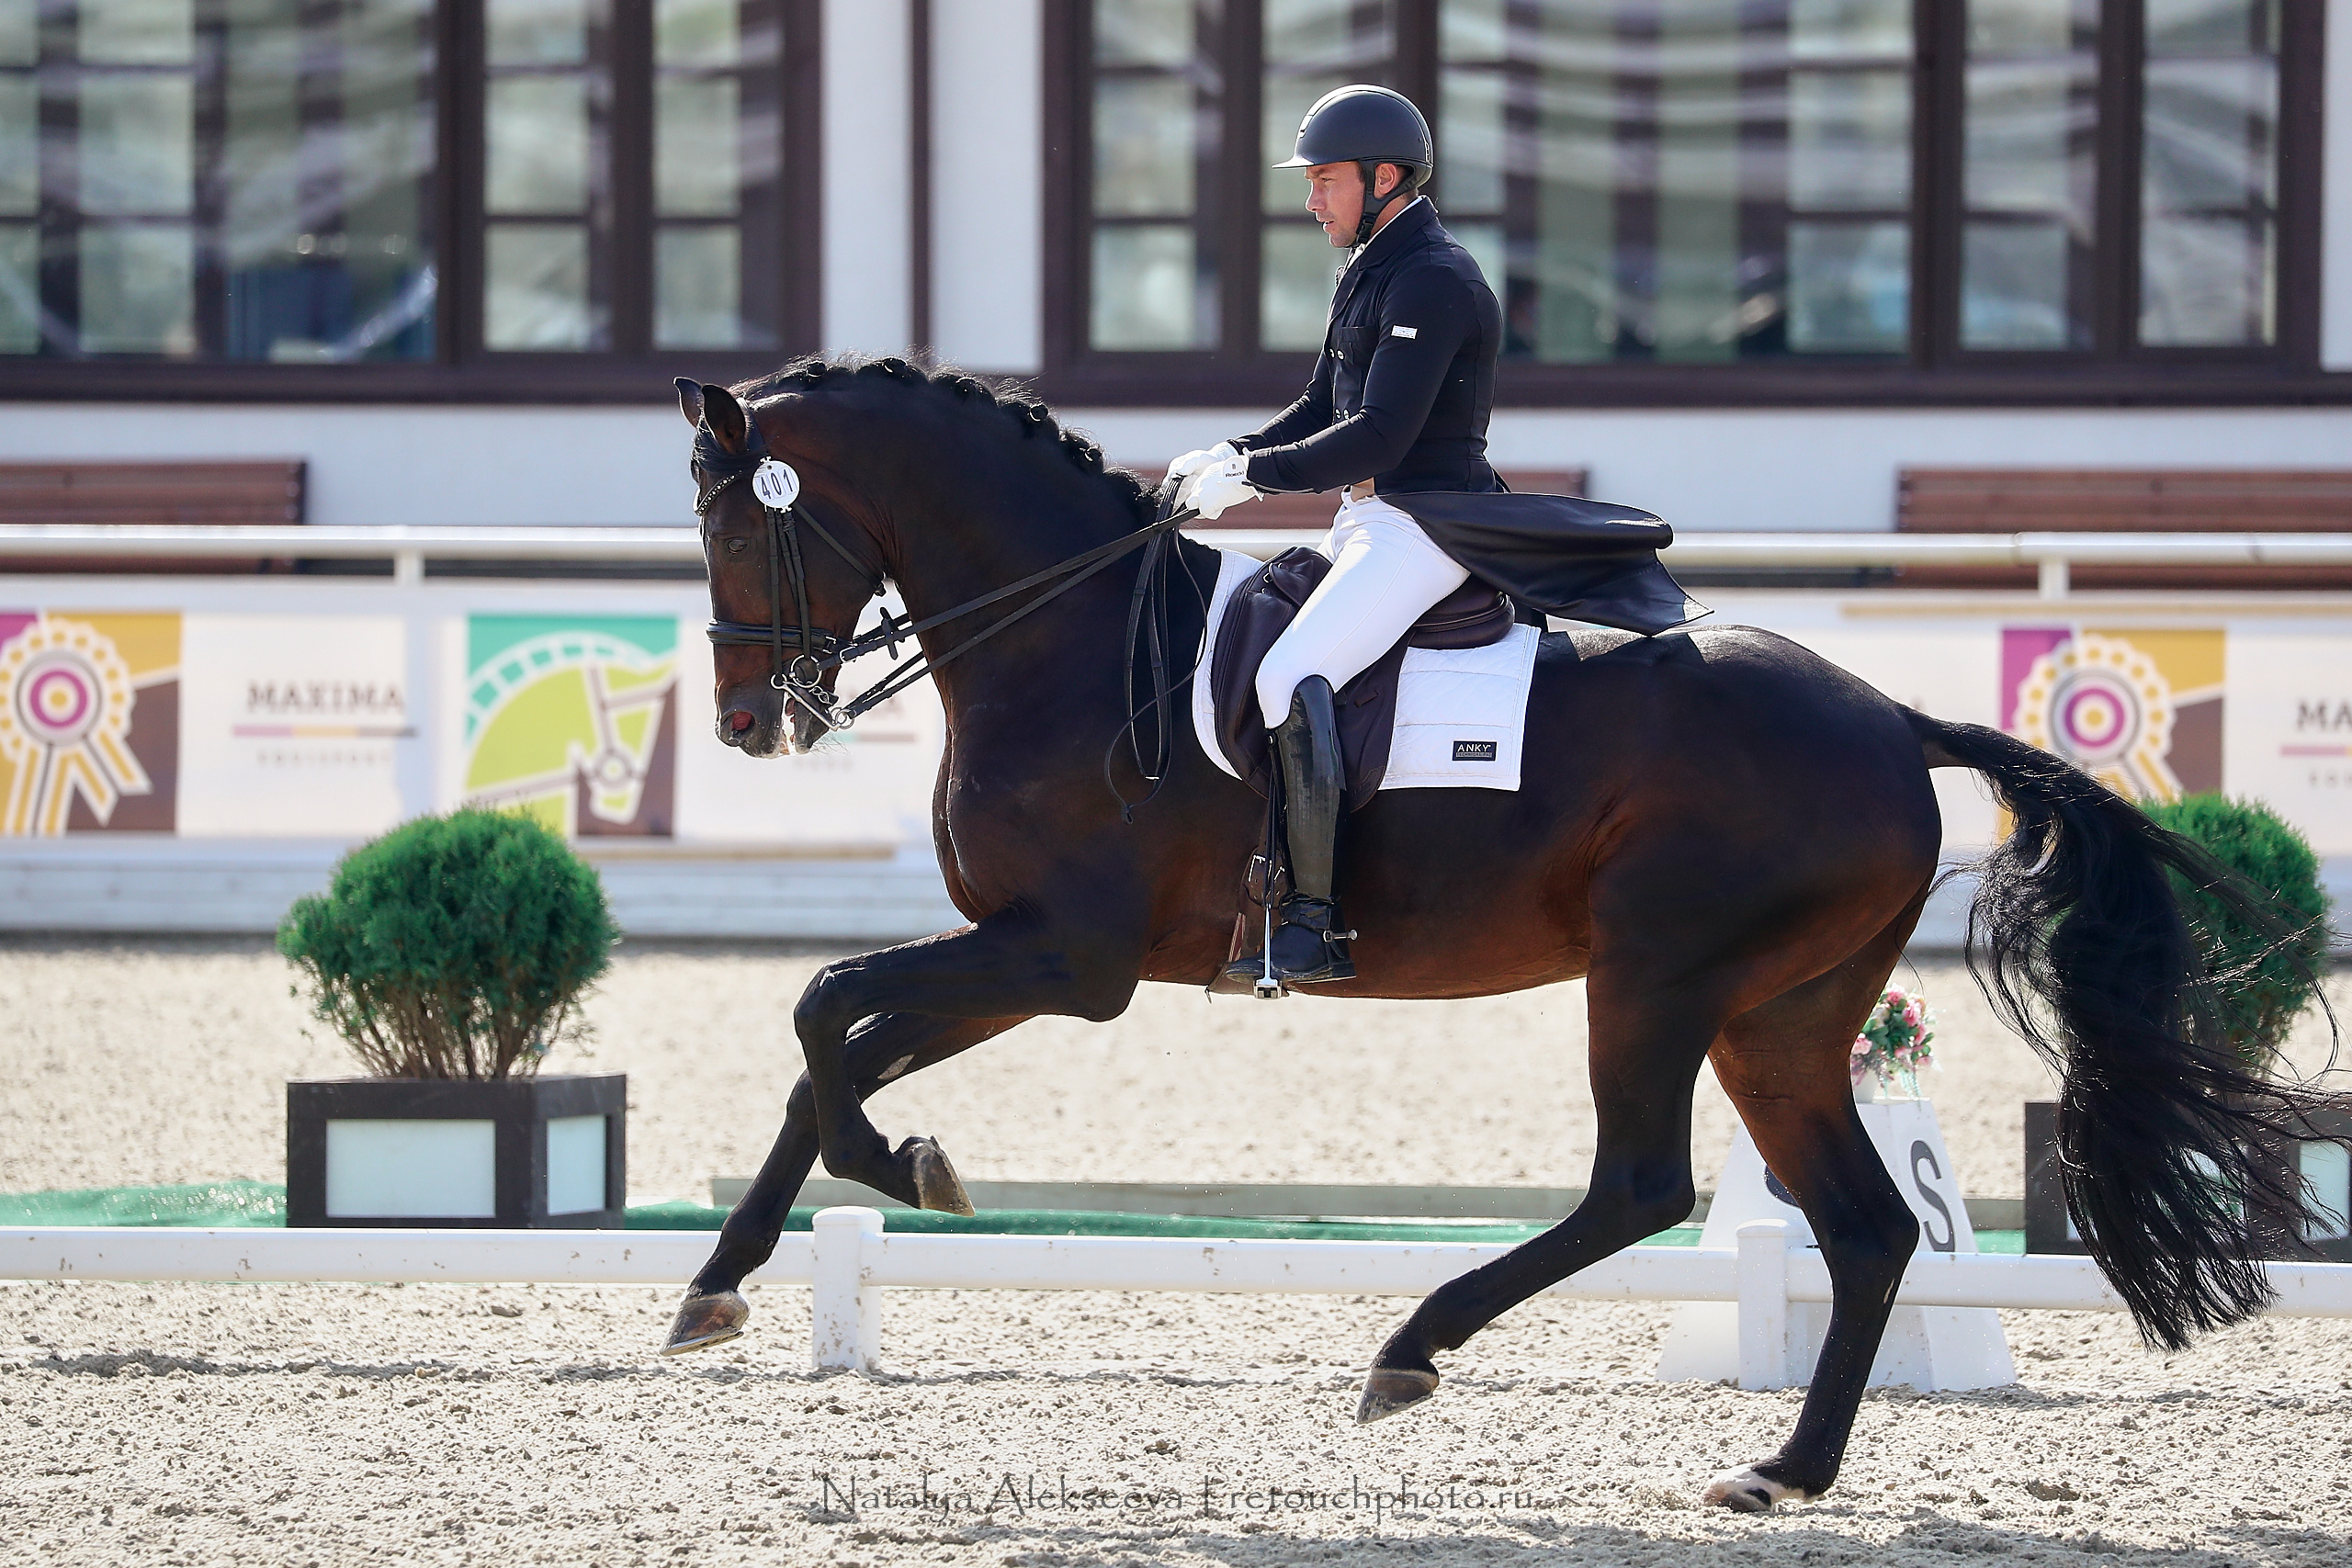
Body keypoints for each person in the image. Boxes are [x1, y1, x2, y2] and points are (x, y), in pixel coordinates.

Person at [1170, 84, 1503, 991]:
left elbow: (1380, 436)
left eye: (1324, 181)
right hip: (1370, 518)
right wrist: (1234, 451)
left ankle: (1314, 922)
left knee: (1288, 674)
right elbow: (1322, 406)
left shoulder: (1433, 279)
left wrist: (1256, 479)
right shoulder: (1371, 268)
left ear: (1383, 176)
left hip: (1427, 522)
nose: (1311, 200)